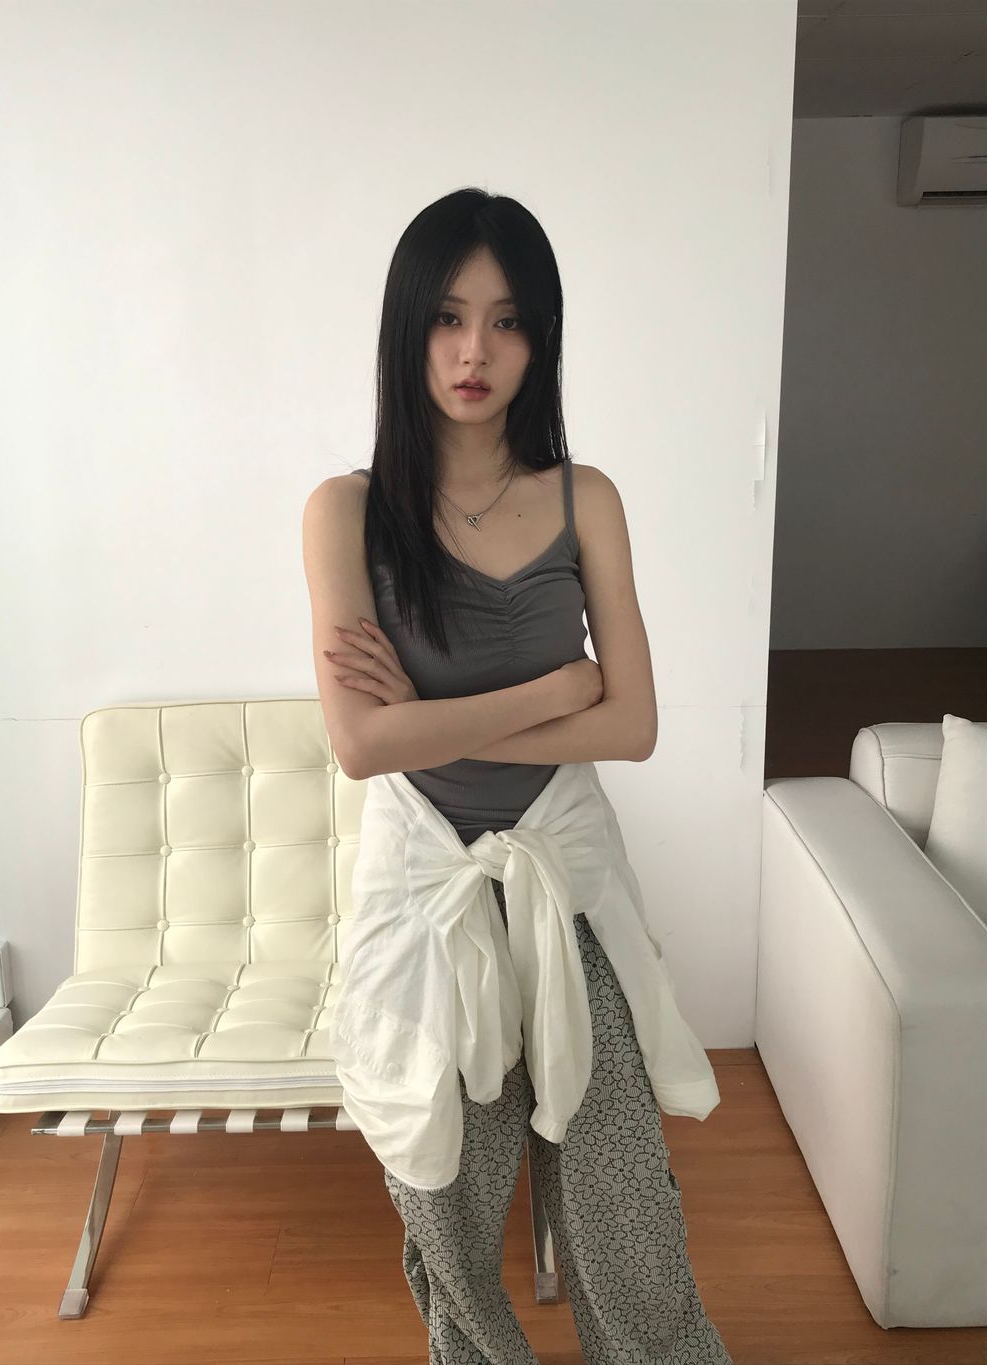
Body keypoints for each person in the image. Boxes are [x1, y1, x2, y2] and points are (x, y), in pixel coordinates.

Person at [301, 187, 734, 1364]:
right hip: (423, 893)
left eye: (505, 322)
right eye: (448, 318)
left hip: (566, 879)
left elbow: (632, 726)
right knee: (442, 1201)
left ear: (540, 340)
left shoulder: (585, 498)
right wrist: (556, 691)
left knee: (622, 1196)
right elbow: (361, 747)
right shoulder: (345, 513)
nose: (473, 353)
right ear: (408, 330)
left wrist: (429, 718)